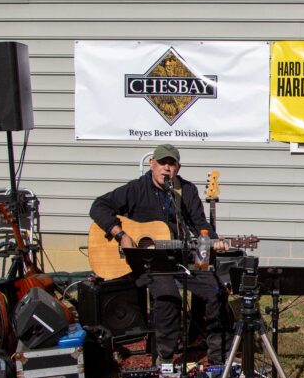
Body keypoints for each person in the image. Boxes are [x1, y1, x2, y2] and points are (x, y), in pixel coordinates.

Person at [89, 143, 229, 364]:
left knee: (216, 291)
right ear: (152, 164)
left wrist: (214, 240)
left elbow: (199, 224)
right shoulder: (136, 189)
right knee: (168, 298)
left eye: (171, 164)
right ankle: (165, 357)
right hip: (150, 262)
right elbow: (98, 207)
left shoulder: (187, 190)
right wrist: (121, 234)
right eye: (162, 163)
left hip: (183, 256)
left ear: (178, 168)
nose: (166, 168)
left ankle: (218, 358)